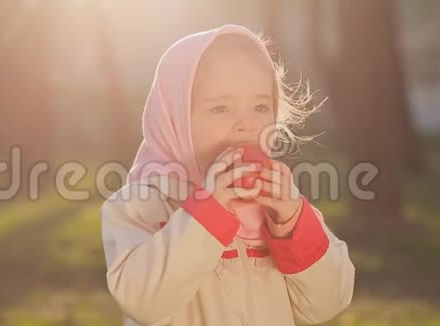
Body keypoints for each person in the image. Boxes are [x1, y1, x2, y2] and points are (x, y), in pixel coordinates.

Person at [101, 24, 355, 326]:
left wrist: (292, 222)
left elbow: (328, 303)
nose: (245, 124)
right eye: (221, 108)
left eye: (261, 106)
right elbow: (143, 303)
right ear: (175, 119)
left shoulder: (281, 210)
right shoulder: (140, 206)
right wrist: (209, 211)